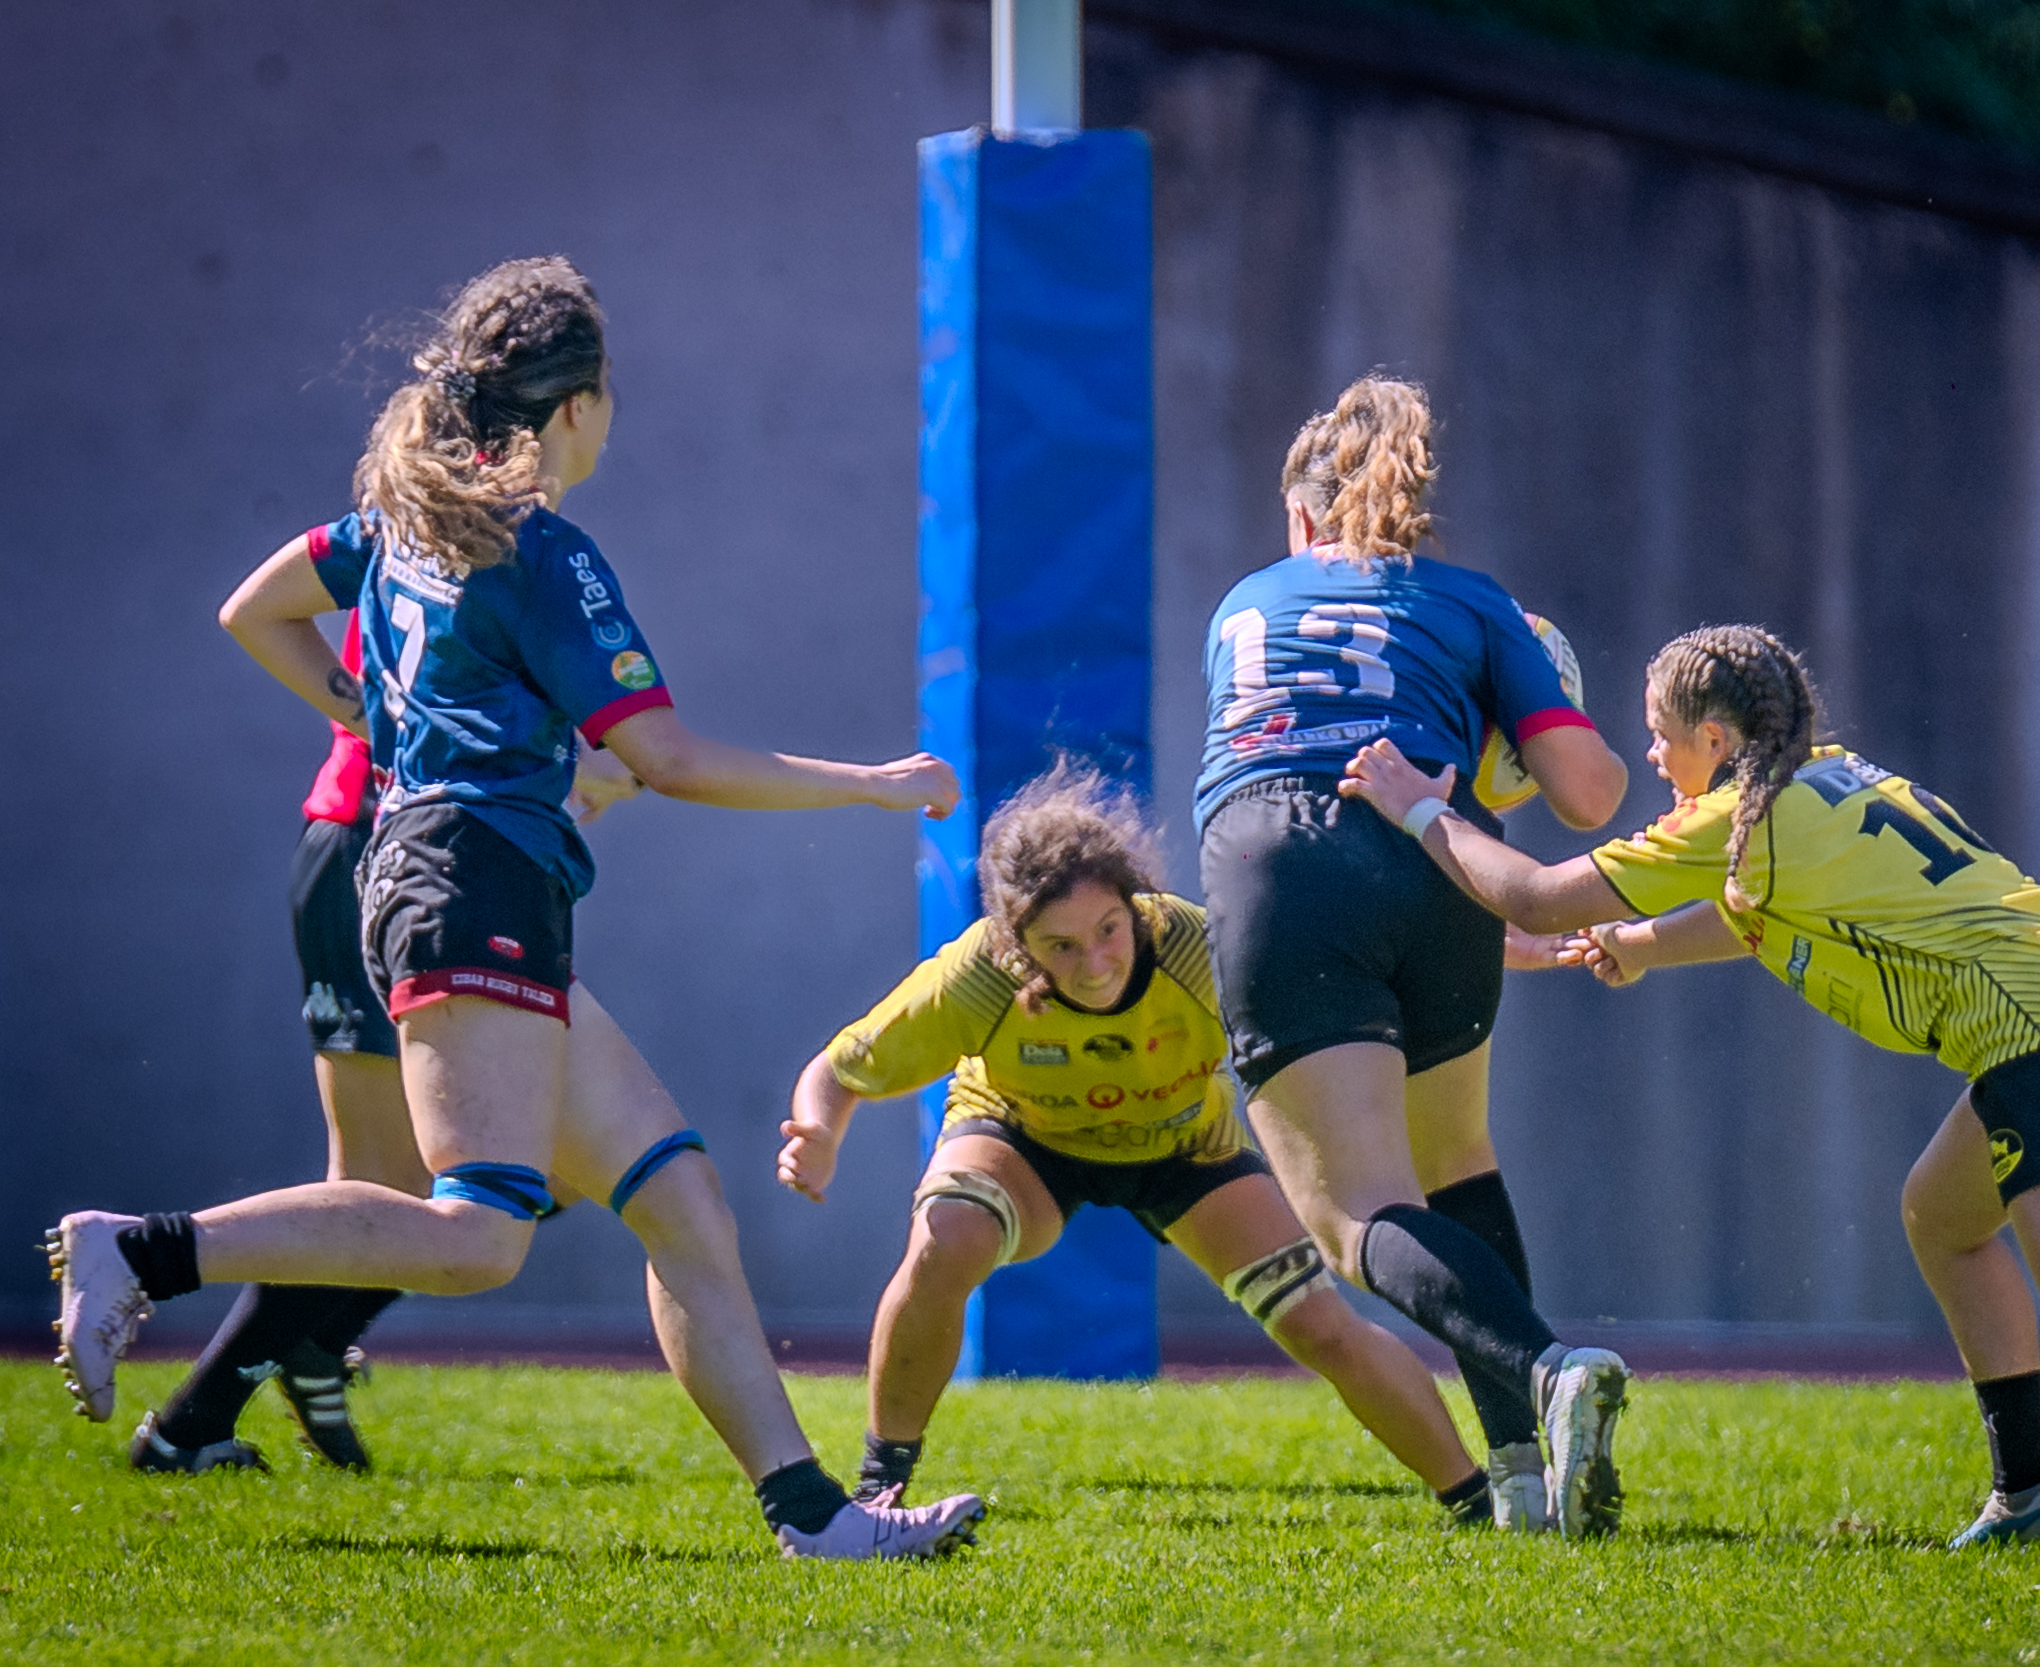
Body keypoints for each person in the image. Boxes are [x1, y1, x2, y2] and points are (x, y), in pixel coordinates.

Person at [50, 256, 983, 1559]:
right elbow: (668, 757)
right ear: (575, 408)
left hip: (447, 875)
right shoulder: (542, 550)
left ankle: (813, 1517)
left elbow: (255, 610)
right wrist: (872, 784)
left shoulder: (406, 512)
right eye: (608, 395)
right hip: (467, 885)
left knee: (677, 1196)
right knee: (480, 1232)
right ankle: (139, 1251)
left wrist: (379, 721)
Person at [1337, 621, 2040, 1553]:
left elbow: (1534, 896)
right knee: (1940, 1216)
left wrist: (1420, 809)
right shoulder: (1822, 777)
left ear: (1715, 737)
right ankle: (2026, 1494)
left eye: (1660, 732)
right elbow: (1752, 909)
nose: (1651, 752)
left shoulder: (1742, 813)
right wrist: (1642, 946)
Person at [777, 762, 1491, 1520]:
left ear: (1133, 903)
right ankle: (876, 1492)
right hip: (1025, 1141)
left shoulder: (1200, 950)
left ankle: (1475, 1499)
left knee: (1317, 1321)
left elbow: (1341, 989)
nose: (1094, 965)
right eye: (1059, 946)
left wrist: (1482, 942)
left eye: (1108, 931)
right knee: (945, 1236)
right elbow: (837, 1070)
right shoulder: (978, 975)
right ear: (1017, 941)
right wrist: (817, 1132)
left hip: (1186, 1148)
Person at [1192, 375, 1634, 1536]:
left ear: (1299, 515)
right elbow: (1589, 795)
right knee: (1453, 1158)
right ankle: (1523, 1476)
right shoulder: (1477, 601)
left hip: (1283, 855)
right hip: (1441, 853)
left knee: (1354, 1217)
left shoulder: (1244, 601)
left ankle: (1550, 1370)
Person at [129, 660, 642, 1476]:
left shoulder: (524, 592)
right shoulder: (428, 580)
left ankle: (314, 1340)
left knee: (565, 1164)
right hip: (391, 855)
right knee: (381, 1181)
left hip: (469, 870)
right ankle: (178, 1395)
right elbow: (255, 615)